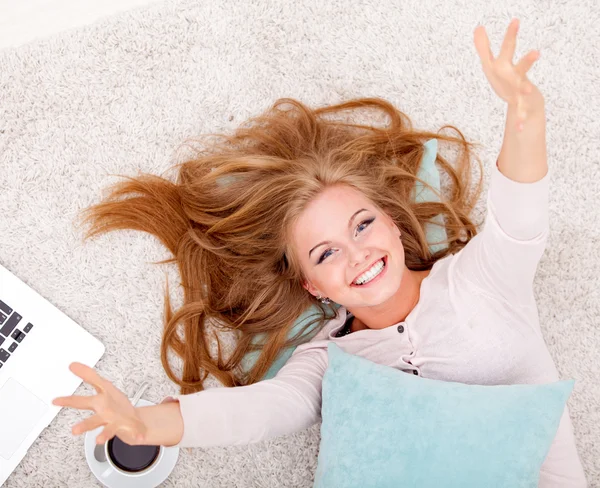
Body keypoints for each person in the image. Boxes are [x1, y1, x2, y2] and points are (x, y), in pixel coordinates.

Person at [52, 18, 587, 487]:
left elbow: (519, 218)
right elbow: (261, 412)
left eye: (362, 225)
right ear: (311, 285)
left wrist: (525, 117)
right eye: (326, 254)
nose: (357, 254)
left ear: (395, 226)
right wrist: (148, 425)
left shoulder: (483, 278)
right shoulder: (330, 361)